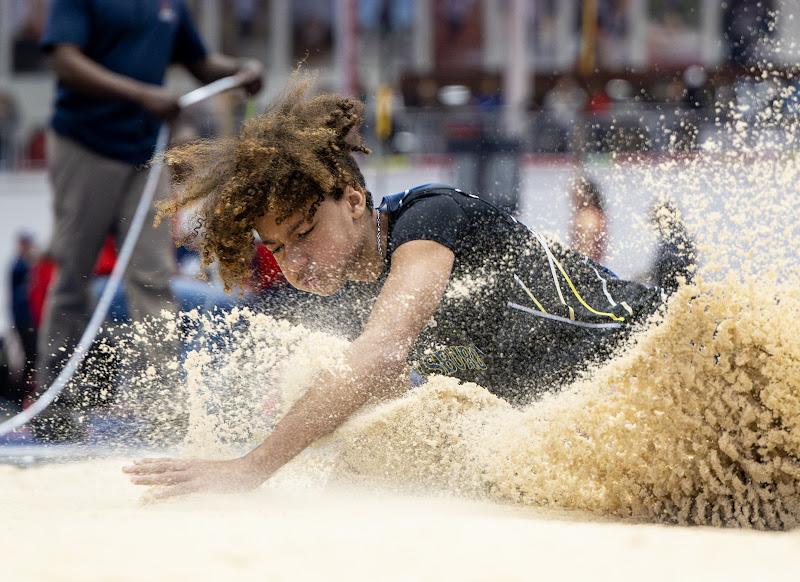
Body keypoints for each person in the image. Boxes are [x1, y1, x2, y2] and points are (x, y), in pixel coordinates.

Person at [124, 73, 691, 497]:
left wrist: (252, 466)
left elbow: (379, 353)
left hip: (663, 347)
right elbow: (380, 395)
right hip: (594, 409)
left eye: (303, 232)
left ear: (351, 202)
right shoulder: (352, 289)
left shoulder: (427, 223)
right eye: (275, 248)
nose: (293, 262)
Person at [33, 0, 264, 441]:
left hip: (146, 151)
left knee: (154, 278)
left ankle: (163, 412)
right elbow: (64, 60)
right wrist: (142, 94)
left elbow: (200, 62)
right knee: (72, 277)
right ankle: (55, 413)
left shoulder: (168, 5)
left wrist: (238, 70)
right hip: (86, 144)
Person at [568, 175, 608, 263]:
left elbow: (586, 251)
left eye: (576, 194)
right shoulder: (597, 213)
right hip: (596, 265)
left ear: (586, 195)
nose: (572, 198)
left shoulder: (588, 216)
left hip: (586, 266)